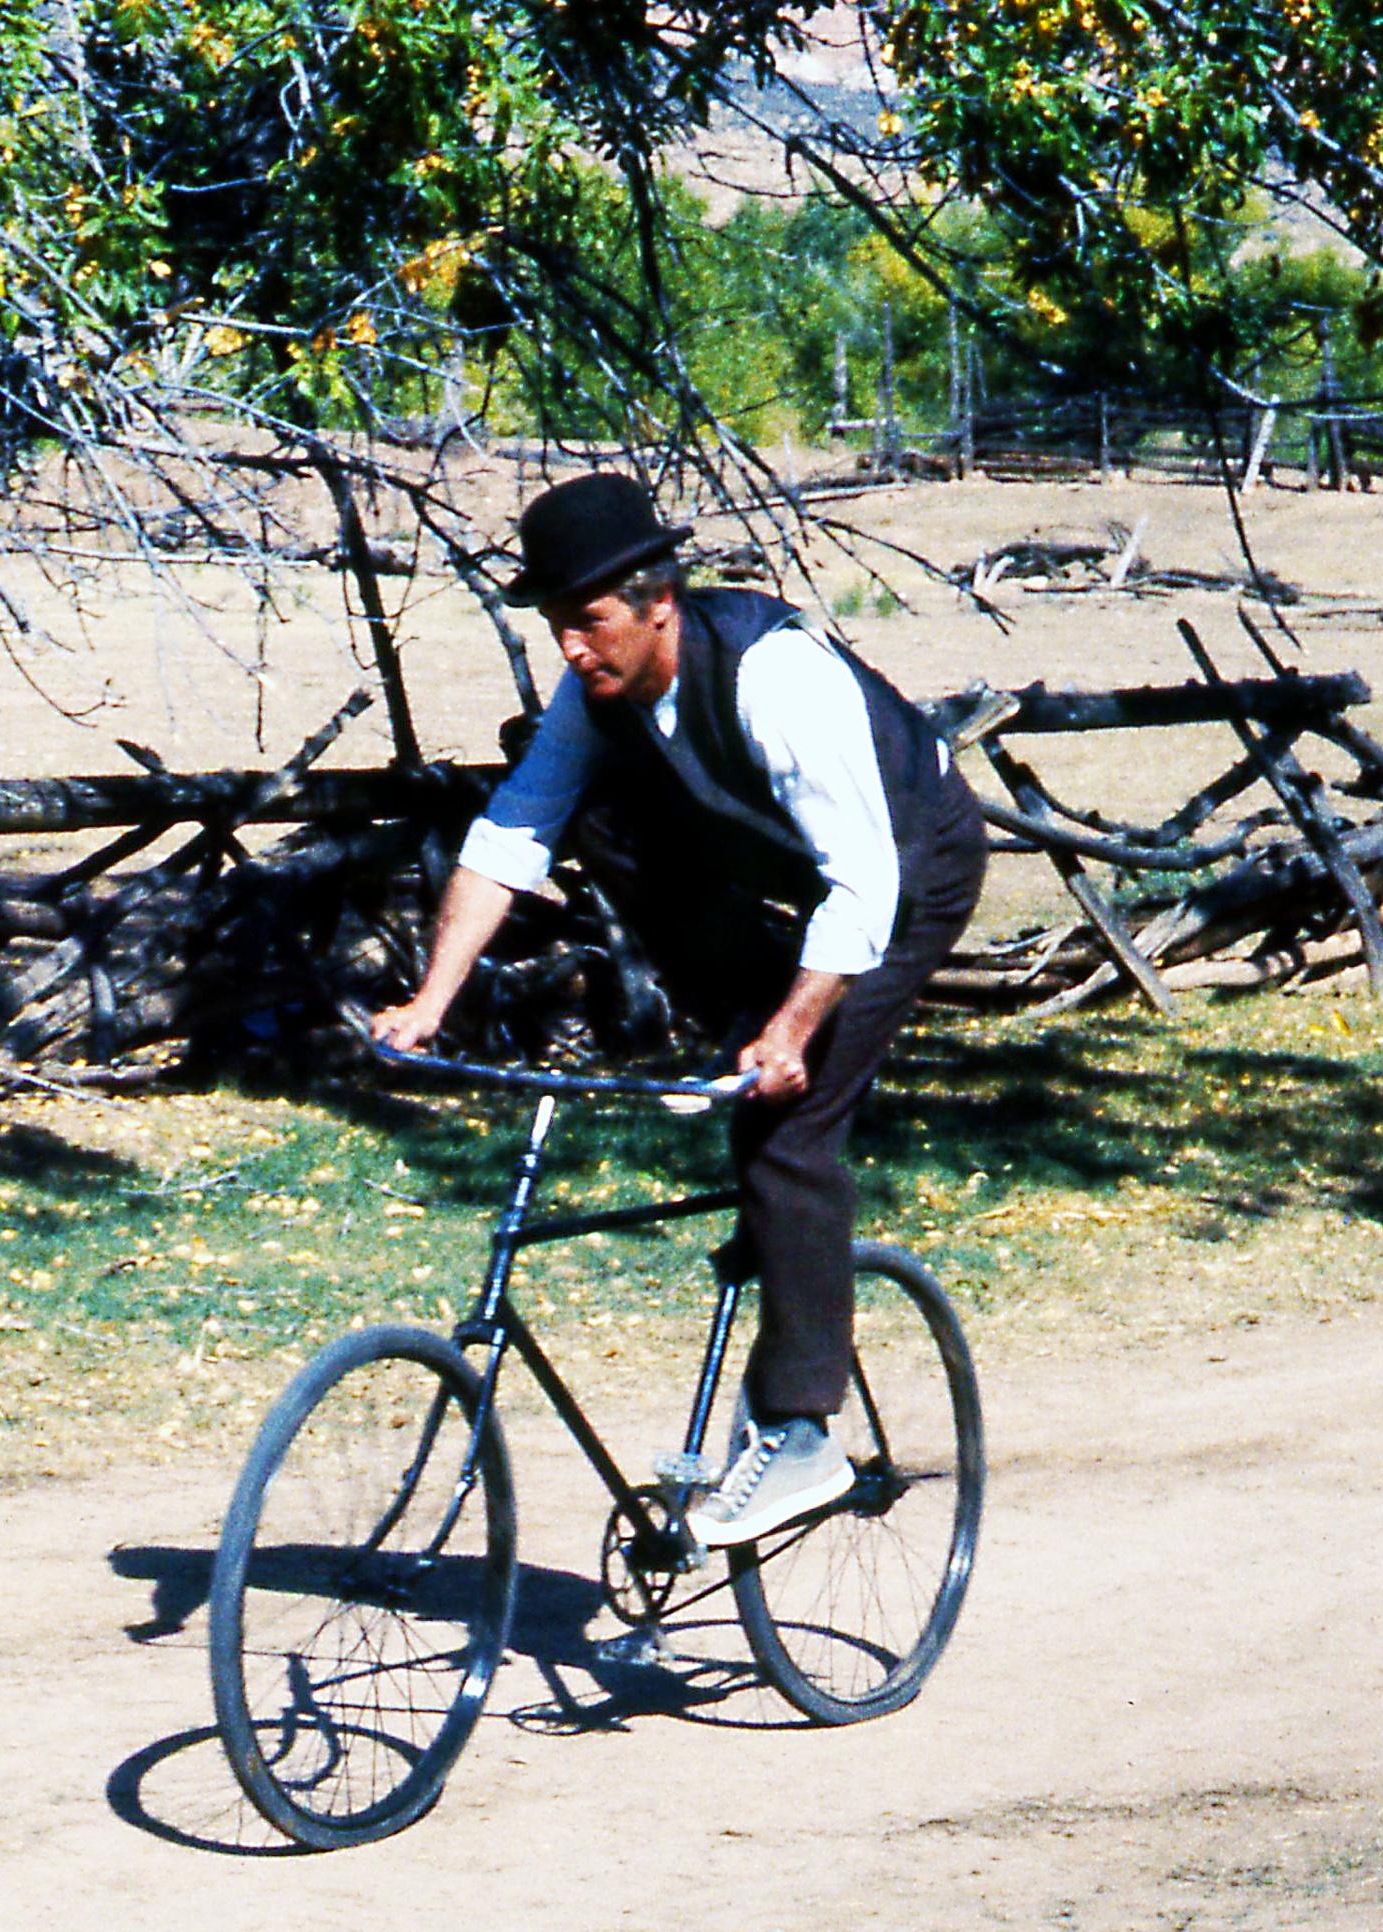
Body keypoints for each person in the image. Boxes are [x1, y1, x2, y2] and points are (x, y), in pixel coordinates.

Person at [368, 472, 985, 1548]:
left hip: (904, 864)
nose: (570, 647)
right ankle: (754, 1096)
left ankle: (802, 1434)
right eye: (557, 624)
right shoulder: (596, 690)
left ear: (660, 601)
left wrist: (790, 1035)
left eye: (589, 621)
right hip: (770, 865)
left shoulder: (774, 676)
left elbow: (863, 887)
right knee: (583, 801)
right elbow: (514, 832)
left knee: (787, 1128)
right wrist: (431, 999)